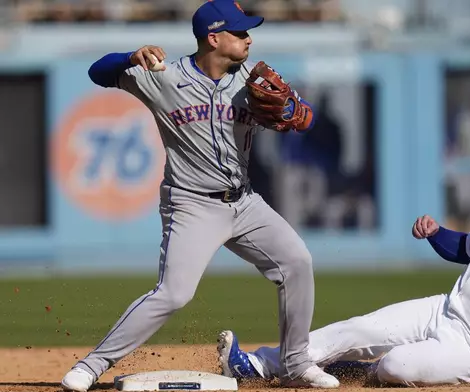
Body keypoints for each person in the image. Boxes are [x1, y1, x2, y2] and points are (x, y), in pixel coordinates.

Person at [60, 1, 339, 390]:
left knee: (297, 261)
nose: (248, 39)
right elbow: (98, 72)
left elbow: (305, 118)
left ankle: (295, 363)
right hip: (192, 205)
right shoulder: (162, 77)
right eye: (240, 32)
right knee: (174, 294)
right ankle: (91, 366)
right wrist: (129, 56)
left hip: (245, 203)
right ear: (213, 38)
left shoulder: (250, 83)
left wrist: (293, 108)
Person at [217, 164, 470, 388]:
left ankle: (361, 372)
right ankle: (256, 365)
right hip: (443, 311)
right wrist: (436, 233)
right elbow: (464, 249)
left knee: (396, 365)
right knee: (354, 329)